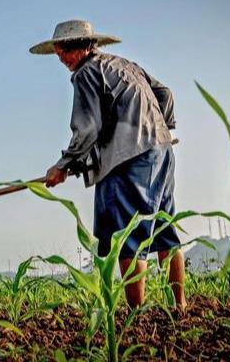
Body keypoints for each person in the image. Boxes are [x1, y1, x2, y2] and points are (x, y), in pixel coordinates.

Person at [29, 20, 186, 310]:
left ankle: (134, 317)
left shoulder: (86, 73)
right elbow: (165, 94)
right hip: (162, 152)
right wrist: (160, 129)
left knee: (127, 237)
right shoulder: (125, 65)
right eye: (58, 52)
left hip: (130, 161)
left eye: (63, 50)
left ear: (82, 46)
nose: (61, 57)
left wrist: (63, 165)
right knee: (165, 231)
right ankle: (180, 306)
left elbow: (87, 129)